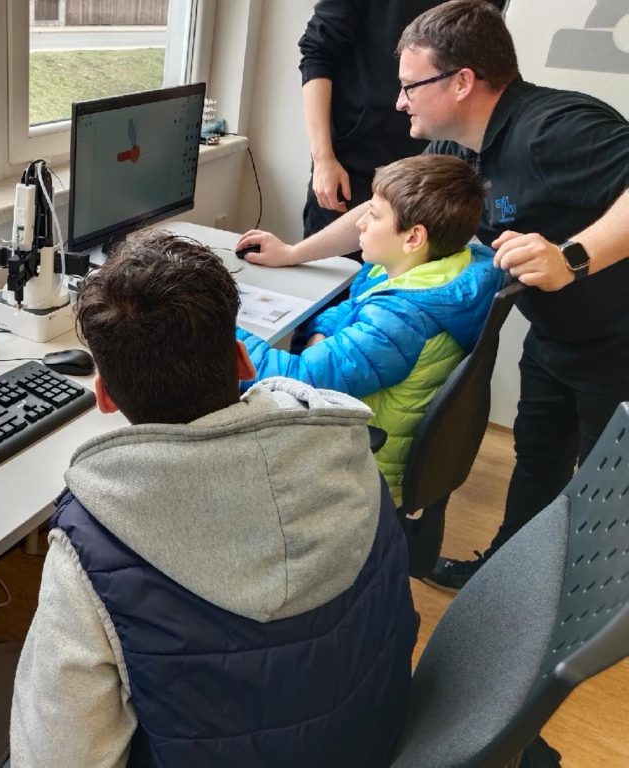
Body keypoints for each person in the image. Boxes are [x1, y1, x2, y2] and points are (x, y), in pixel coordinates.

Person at [0, 231, 417, 767]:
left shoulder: (94, 542)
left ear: (104, 397)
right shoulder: (345, 443)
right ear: (243, 361)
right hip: (368, 741)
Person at [236, 0, 629, 591]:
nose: (400, 102)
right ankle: (504, 583)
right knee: (538, 457)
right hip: (556, 327)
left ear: (462, 81)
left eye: (410, 86)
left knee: (607, 484)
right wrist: (294, 253)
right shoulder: (457, 146)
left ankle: (579, 612)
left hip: (617, 334)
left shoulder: (554, 128)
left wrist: (573, 257)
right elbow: (382, 211)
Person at [238, 154, 502, 506]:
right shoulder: (429, 271)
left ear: (413, 238)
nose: (360, 223)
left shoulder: (401, 319)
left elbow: (296, 380)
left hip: (363, 471)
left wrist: (214, 325)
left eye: (374, 215)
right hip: (362, 428)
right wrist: (323, 335)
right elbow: (353, 306)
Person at [298, 0, 436, 247]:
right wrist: (323, 158)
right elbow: (316, 53)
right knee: (332, 268)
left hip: (429, 172)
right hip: (351, 167)